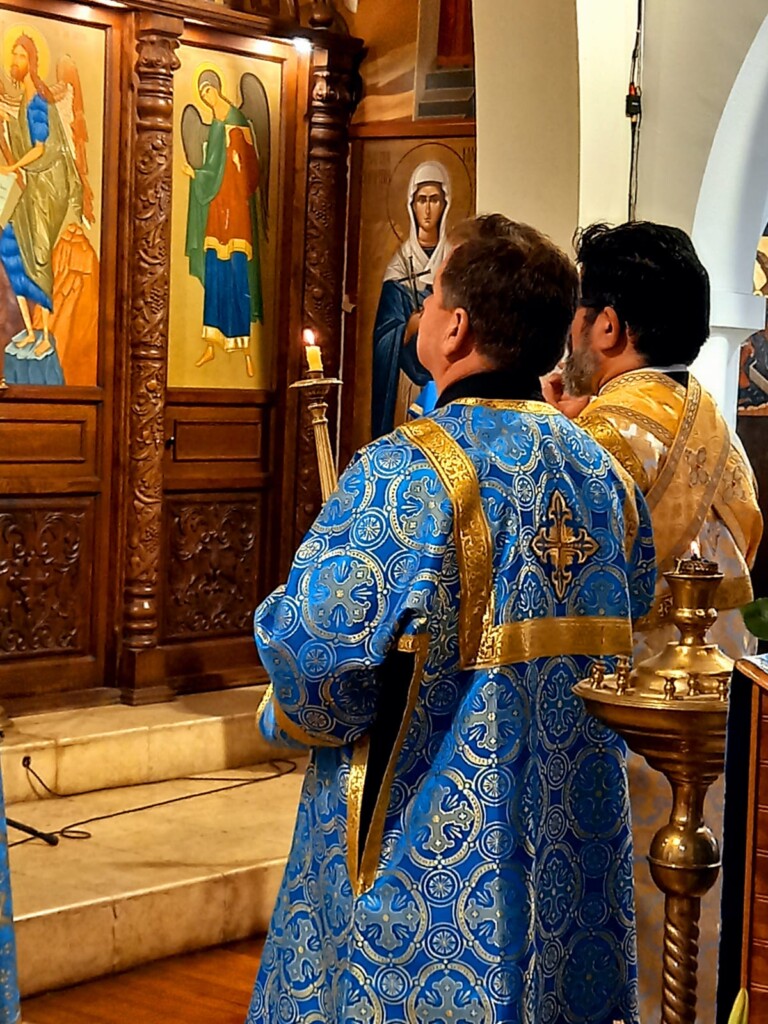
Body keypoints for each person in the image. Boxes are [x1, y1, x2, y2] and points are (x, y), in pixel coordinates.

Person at [248, 220, 657, 1024]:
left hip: (424, 858)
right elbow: (636, 598)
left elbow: (314, 654)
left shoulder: (406, 470)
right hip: (571, 852)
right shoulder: (604, 476)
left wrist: (289, 708)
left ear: (456, 329)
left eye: (432, 297)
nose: (426, 312)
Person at [544, 219, 763, 1021]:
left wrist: (562, 431)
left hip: (629, 727)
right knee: (703, 931)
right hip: (721, 727)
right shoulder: (721, 435)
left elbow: (557, 594)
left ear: (608, 326)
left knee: (624, 937)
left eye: (579, 312)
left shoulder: (594, 442)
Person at [0, 33, 83, 384]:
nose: (14, 61)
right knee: (10, 248)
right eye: (13, 55)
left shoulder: (37, 99)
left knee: (37, 256)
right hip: (28, 188)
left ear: (32, 61)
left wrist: (12, 166)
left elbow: (40, 147)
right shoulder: (22, 98)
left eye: (21, 56)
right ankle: (31, 331)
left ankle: (46, 335)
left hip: (46, 189)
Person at [183, 71, 263, 378]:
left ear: (217, 89)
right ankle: (211, 343)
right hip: (217, 209)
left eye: (208, 91)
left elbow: (250, 169)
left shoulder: (237, 121)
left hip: (237, 209)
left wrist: (237, 159)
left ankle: (246, 350)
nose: (207, 98)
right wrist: (198, 175)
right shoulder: (215, 126)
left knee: (237, 276)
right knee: (216, 273)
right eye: (202, 94)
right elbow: (212, 167)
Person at [370, 161, 451, 437]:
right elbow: (382, 338)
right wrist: (408, 329)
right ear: (411, 205)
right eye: (421, 200)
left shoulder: (453, 262)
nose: (427, 209)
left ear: (445, 204)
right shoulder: (399, 267)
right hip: (405, 380)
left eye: (434, 200)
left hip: (443, 380)